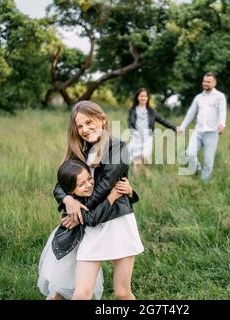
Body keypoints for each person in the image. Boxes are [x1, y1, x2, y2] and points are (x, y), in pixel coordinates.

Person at [53, 100, 144, 300]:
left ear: (102, 120)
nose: (85, 129)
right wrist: (69, 200)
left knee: (122, 292)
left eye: (88, 122)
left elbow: (104, 188)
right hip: (92, 226)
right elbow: (60, 185)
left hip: (116, 222)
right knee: (82, 294)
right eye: (80, 126)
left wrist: (80, 215)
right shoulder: (82, 152)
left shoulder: (118, 147)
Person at [37, 159, 137, 300]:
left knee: (65, 288)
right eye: (81, 184)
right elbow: (92, 218)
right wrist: (112, 197)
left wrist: (131, 192)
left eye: (89, 179)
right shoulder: (75, 204)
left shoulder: (91, 189)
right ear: (71, 192)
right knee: (58, 289)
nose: (89, 185)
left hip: (82, 241)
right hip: (69, 246)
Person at [178, 72, 227, 182]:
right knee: (189, 154)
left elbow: (222, 111)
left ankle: (204, 184)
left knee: (208, 161)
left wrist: (222, 124)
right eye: (204, 81)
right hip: (198, 131)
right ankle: (197, 168)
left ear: (214, 83)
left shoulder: (220, 97)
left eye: (208, 82)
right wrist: (182, 127)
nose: (205, 83)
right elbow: (191, 113)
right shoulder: (198, 97)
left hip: (212, 133)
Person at [127, 88, 178, 176]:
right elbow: (130, 123)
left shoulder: (151, 111)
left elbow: (163, 121)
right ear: (137, 97)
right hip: (136, 136)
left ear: (148, 98)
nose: (143, 98)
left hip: (148, 136)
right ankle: (137, 180)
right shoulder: (132, 110)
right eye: (141, 96)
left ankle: (147, 171)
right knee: (137, 161)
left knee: (145, 155)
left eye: (145, 96)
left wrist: (174, 128)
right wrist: (133, 130)